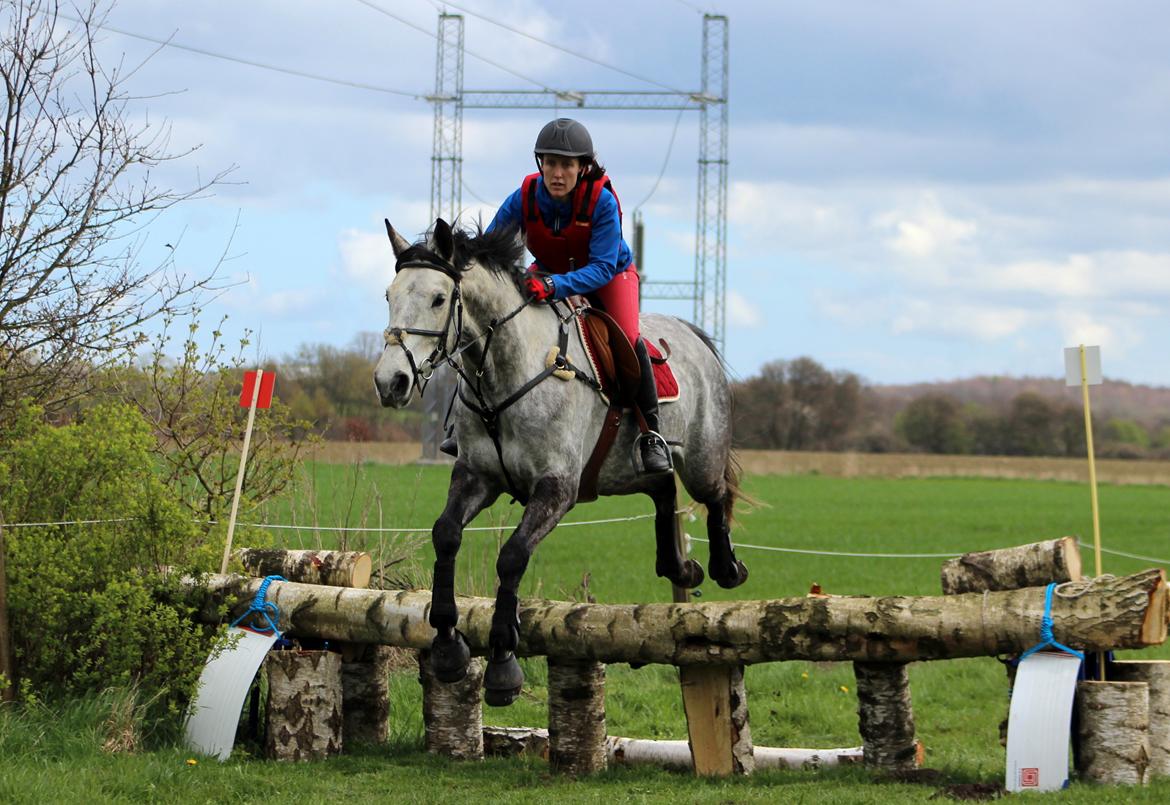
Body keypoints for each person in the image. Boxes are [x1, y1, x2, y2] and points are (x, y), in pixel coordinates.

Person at [458, 118, 671, 474]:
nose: (558, 173)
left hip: (609, 276)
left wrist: (555, 286)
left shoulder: (602, 202)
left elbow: (603, 267)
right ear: (540, 164)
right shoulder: (524, 197)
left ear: (582, 167)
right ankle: (466, 426)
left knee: (629, 340)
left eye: (567, 165)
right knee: (497, 328)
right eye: (551, 163)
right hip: (548, 273)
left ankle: (651, 434)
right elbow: (489, 250)